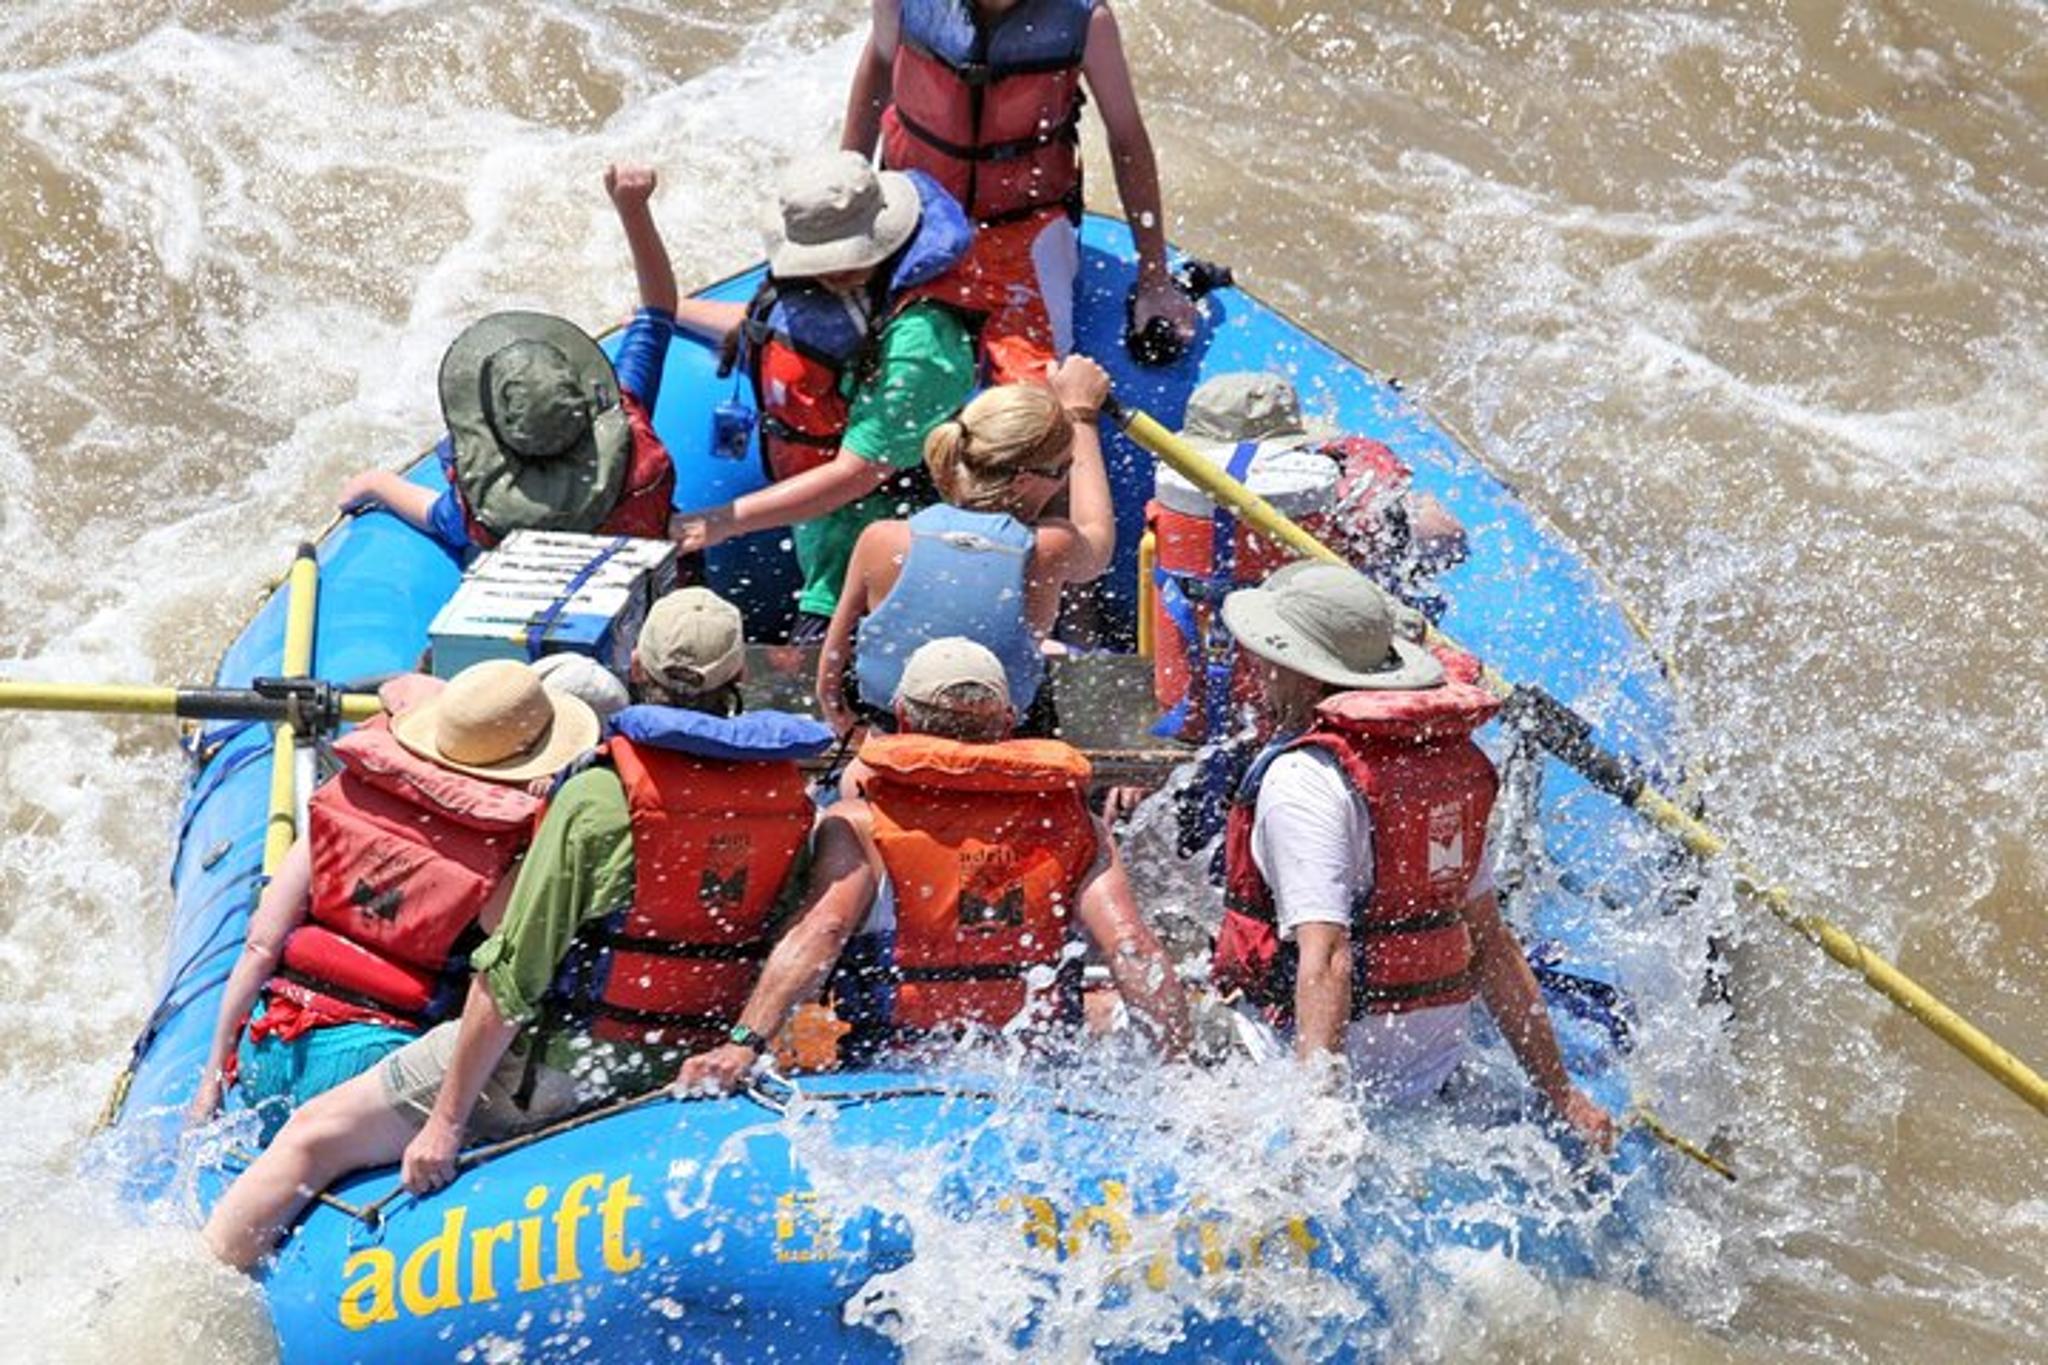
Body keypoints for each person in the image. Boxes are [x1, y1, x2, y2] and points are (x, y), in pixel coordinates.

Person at [201, 589, 834, 1270]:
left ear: (639, 668)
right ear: (740, 678)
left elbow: (508, 978)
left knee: (309, 1136)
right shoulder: (791, 801)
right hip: (685, 1060)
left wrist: (443, 1125)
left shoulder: (597, 795)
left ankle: (198, 1283)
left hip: (556, 1068)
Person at [1208, 563, 1616, 1146]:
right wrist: (1562, 1093)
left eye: (1265, 655)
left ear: (1298, 671)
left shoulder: (1303, 779)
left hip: (1327, 1080)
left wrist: (1318, 1120)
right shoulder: (1440, 766)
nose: (1255, 668)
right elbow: (1492, 945)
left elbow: (1326, 957)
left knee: (1156, 1027)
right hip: (1430, 1075)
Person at [676, 637, 1190, 1095]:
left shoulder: (861, 825)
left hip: (895, 1077)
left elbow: (824, 930)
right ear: (1007, 722)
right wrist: (1178, 1068)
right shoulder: (1077, 825)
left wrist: (743, 1043)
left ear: (900, 717)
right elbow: (1130, 947)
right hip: (1031, 1083)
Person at [186, 663, 596, 1138]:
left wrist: (213, 1081)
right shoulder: (513, 844)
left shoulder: (347, 794)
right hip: (371, 1069)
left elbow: (260, 945)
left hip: (268, 1046)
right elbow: (505, 970)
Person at [669, 152, 980, 639]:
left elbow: (857, 473)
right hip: (826, 544)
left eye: (837, 263)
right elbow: (768, 326)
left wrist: (723, 521)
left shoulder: (922, 340)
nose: (825, 275)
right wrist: (669, 308)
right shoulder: (825, 286)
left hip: (884, 571)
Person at [842, 0, 1200, 380]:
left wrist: (1154, 279)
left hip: (1025, 225)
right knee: (893, 367)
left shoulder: (1087, 20)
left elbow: (1127, 138)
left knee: (1037, 389)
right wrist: (845, 203)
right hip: (915, 213)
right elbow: (879, 68)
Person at [337, 164, 680, 552]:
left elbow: (433, 515)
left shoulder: (484, 511)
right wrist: (633, 208)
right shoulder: (628, 418)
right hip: (664, 586)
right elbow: (656, 312)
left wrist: (374, 483)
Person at [815, 356, 1113, 736]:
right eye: (1064, 469)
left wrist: (865, 746)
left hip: (890, 748)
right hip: (998, 758)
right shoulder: (1047, 549)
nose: (1065, 481)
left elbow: (830, 690)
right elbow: (1098, 540)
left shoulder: (882, 538)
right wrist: (1081, 416)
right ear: (1022, 481)